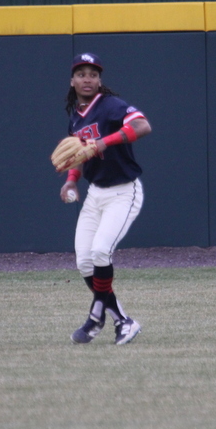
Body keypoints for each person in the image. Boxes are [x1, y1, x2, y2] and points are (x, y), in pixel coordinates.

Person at [59, 53, 152, 345]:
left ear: (100, 80)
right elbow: (78, 156)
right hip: (95, 193)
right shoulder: (75, 116)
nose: (88, 79)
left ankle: (95, 316)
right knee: (84, 262)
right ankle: (122, 321)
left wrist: (104, 141)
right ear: (72, 81)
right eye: (81, 74)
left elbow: (142, 126)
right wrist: (71, 181)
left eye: (93, 74)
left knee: (101, 252)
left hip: (124, 191)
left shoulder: (112, 105)